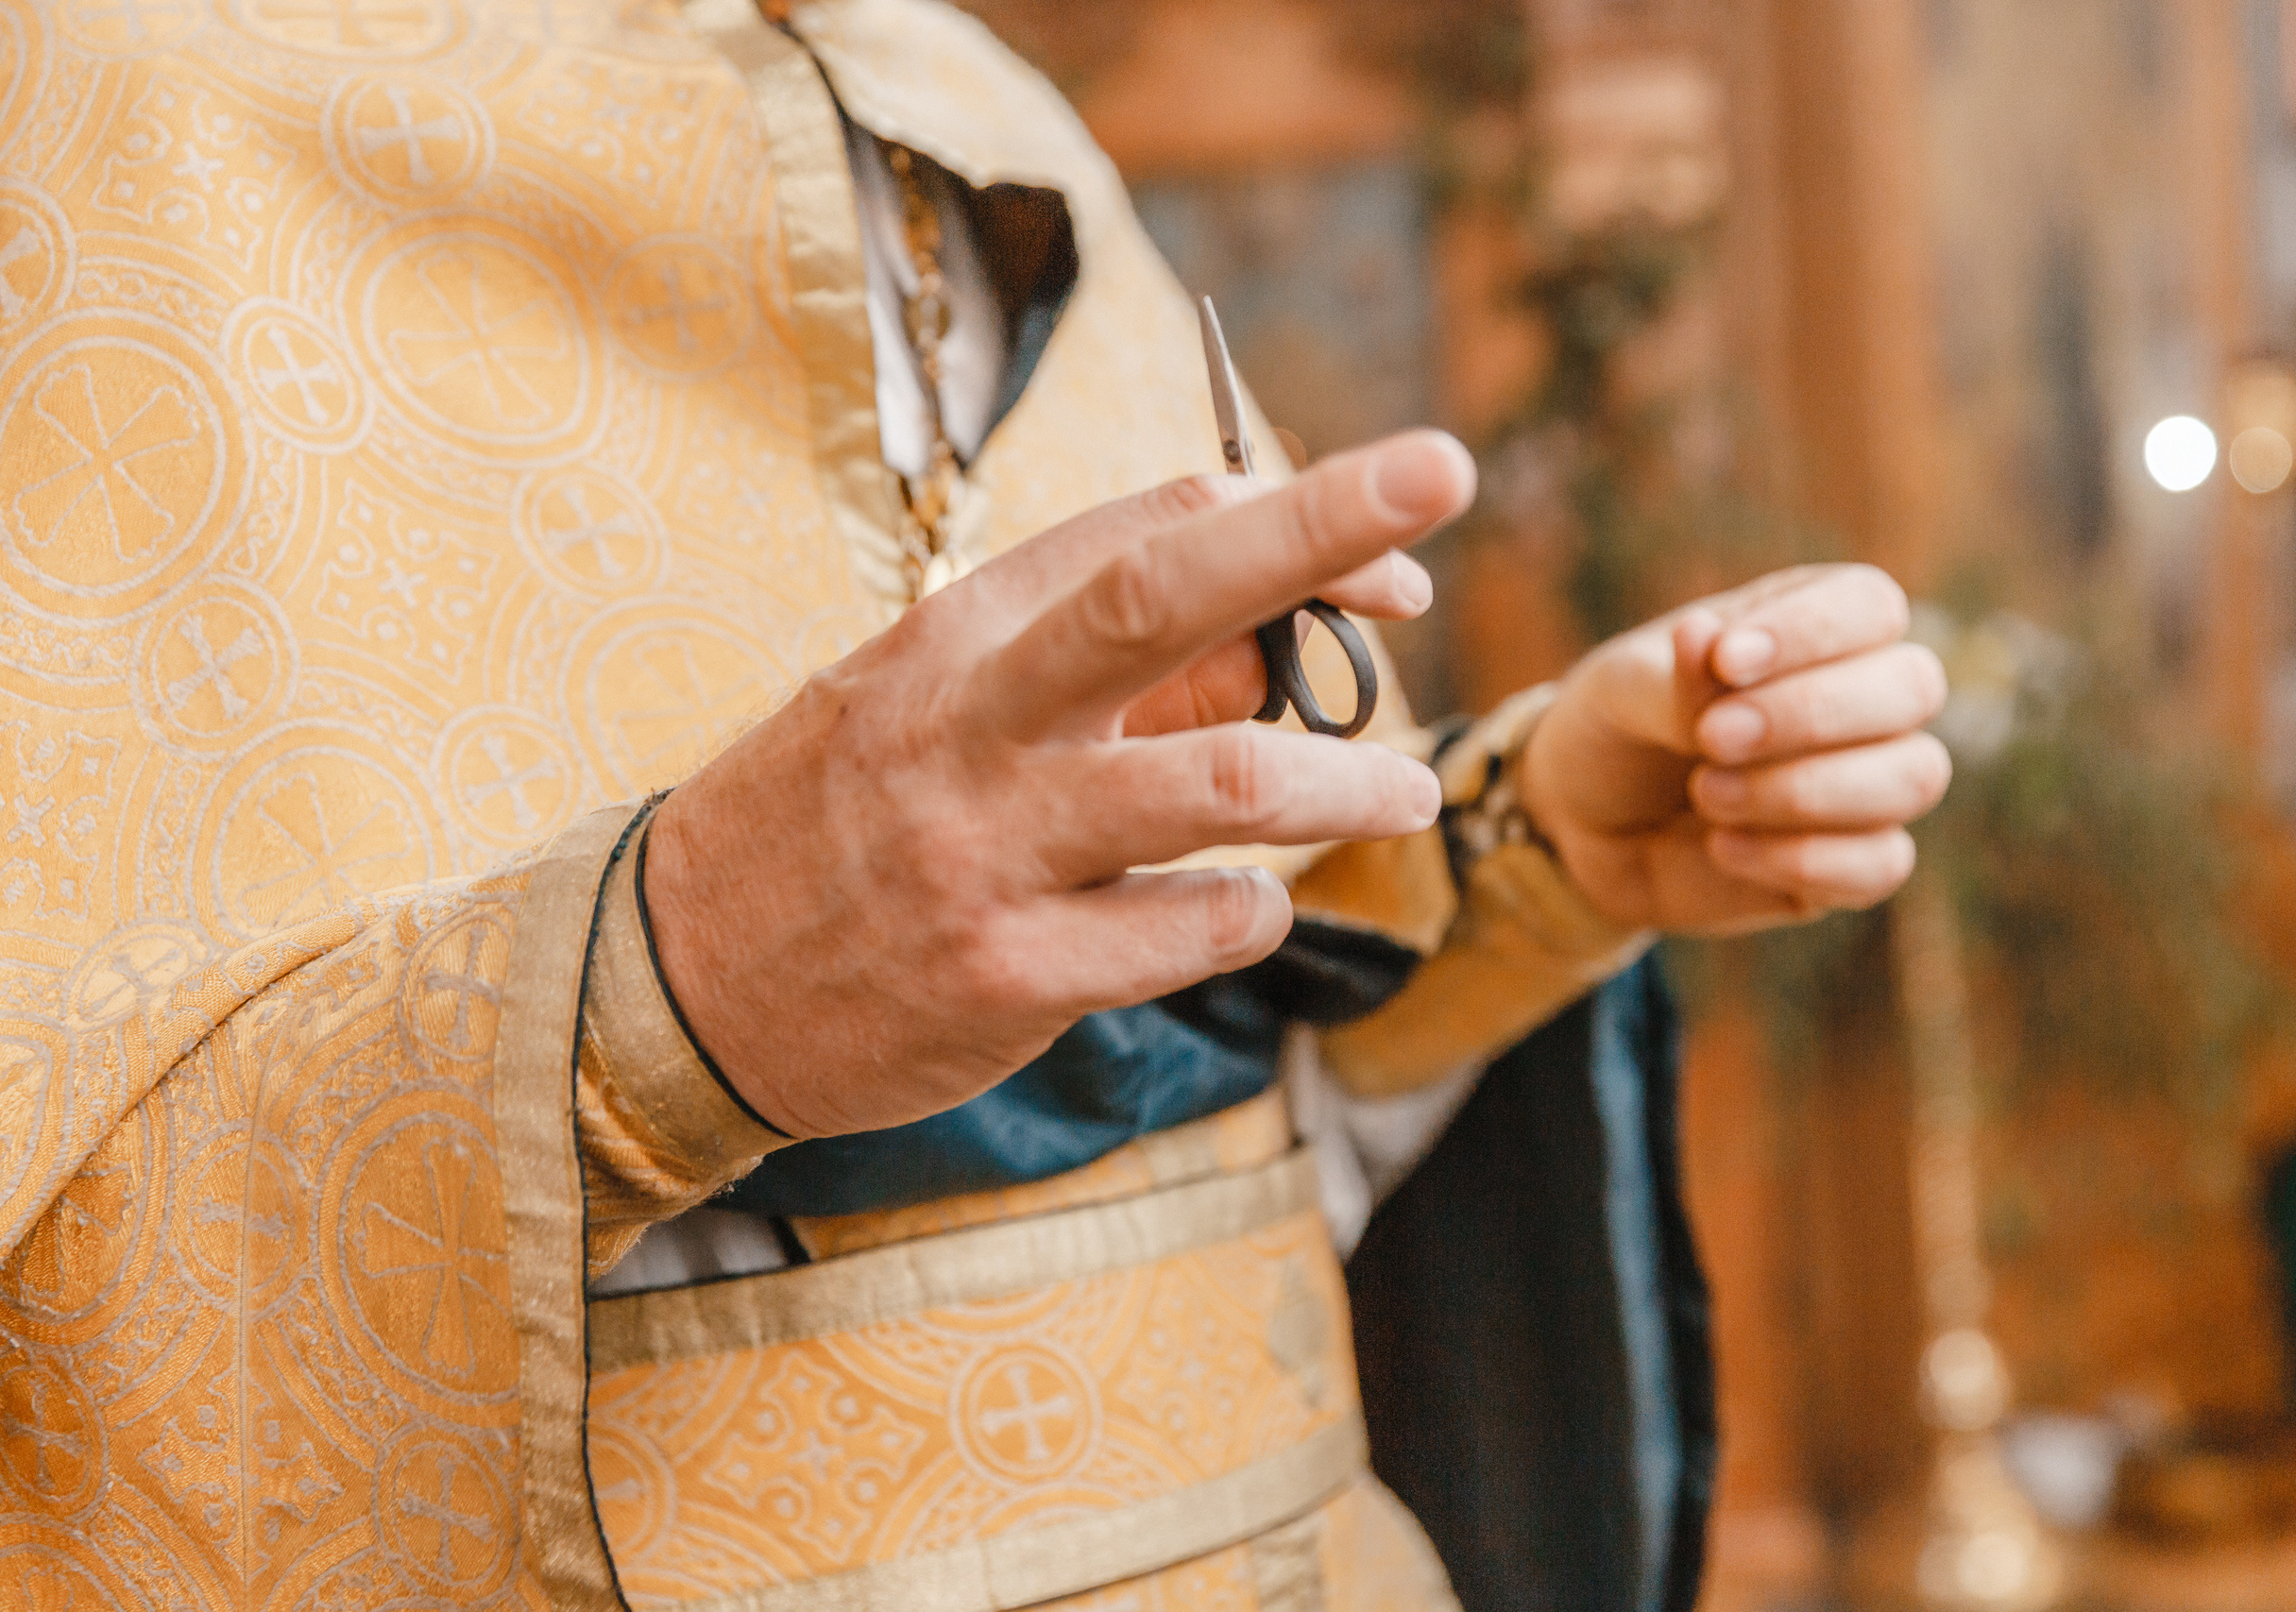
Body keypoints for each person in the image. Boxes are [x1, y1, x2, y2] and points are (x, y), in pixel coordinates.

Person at [0, 0, 1948, 1607]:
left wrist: (1513, 853)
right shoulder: (85, 127)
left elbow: (1151, 1102)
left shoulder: (965, 98)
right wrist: (661, 998)